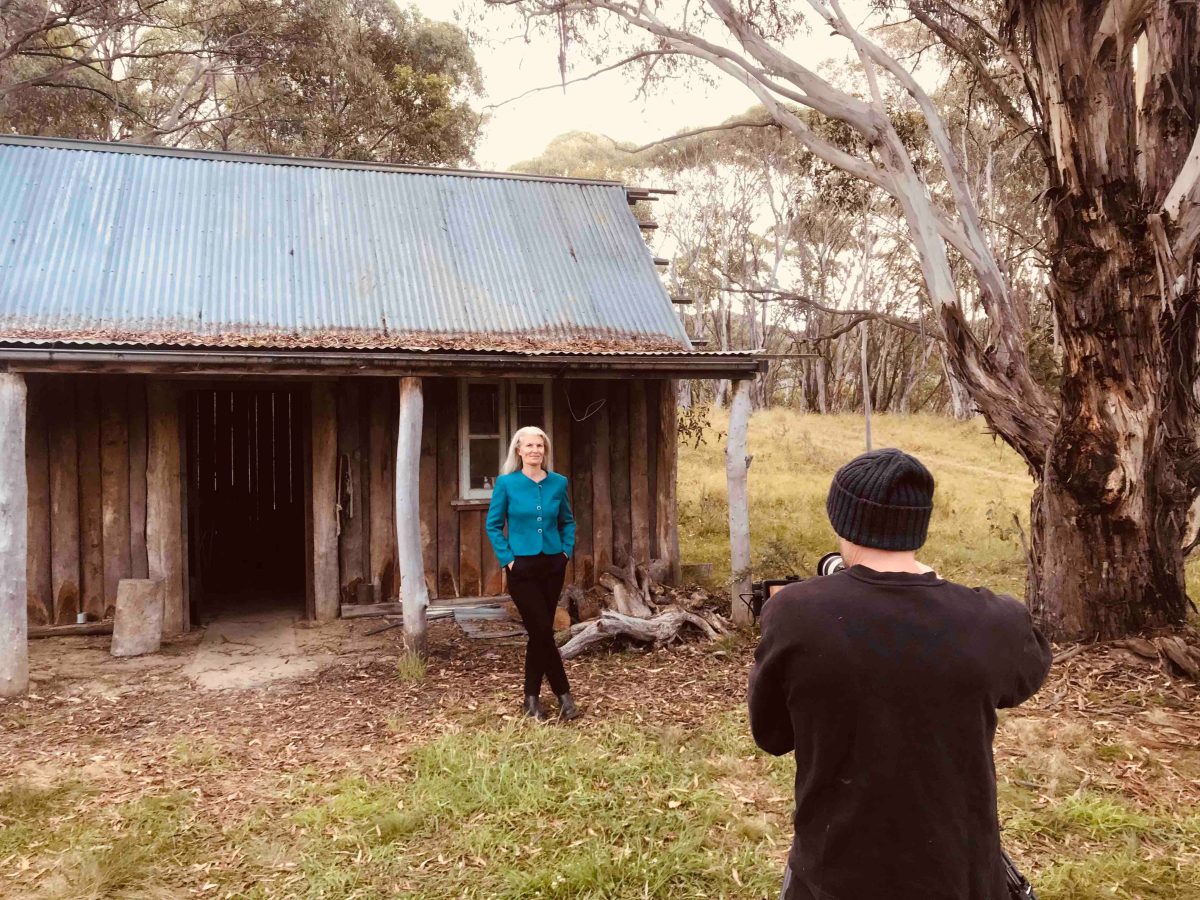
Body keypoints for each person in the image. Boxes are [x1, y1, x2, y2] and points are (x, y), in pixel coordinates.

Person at [749, 448, 1052, 900]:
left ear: (842, 520)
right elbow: (1029, 669)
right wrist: (941, 589)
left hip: (833, 872)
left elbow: (771, 734)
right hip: (959, 874)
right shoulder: (992, 621)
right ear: (919, 526)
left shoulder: (793, 612)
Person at [486, 426, 580, 722]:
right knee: (542, 631)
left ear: (545, 451)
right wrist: (508, 560)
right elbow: (493, 525)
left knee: (540, 635)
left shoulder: (558, 483)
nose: (535, 451)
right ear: (519, 450)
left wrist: (565, 552)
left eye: (540, 446)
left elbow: (568, 521)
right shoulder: (506, 484)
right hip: (522, 568)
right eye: (529, 446)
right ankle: (563, 695)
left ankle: (531, 700)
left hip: (552, 565)